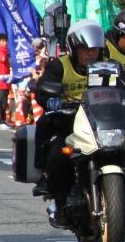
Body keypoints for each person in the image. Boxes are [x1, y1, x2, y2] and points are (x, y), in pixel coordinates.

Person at [31, 21, 111, 214]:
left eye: (94, 50)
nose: (90, 54)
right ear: (74, 49)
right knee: (57, 153)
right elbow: (44, 89)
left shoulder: (107, 66)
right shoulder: (59, 66)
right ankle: (47, 180)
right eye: (85, 50)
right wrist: (50, 99)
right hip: (69, 123)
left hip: (102, 122)